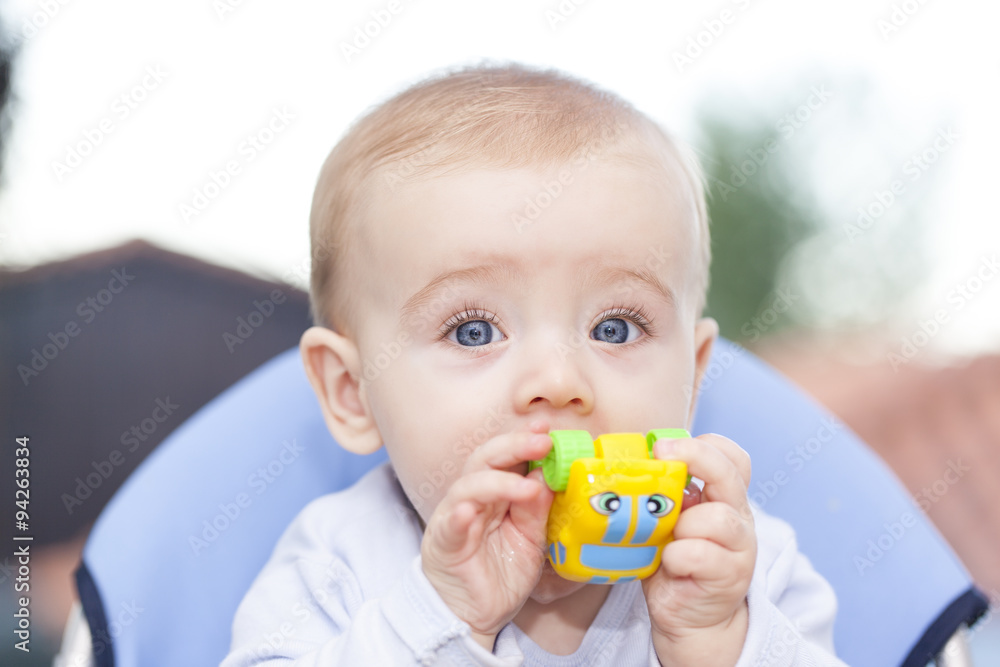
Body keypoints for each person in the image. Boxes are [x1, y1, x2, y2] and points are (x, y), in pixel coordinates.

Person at [222, 63, 845, 666]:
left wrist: (721, 644)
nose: (558, 381)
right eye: (473, 331)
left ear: (693, 377)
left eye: (615, 328)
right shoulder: (338, 566)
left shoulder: (741, 569)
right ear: (352, 392)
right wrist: (438, 621)